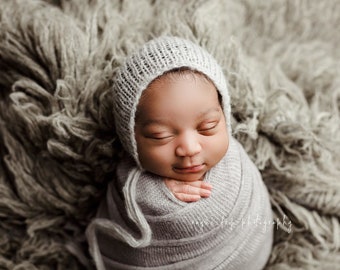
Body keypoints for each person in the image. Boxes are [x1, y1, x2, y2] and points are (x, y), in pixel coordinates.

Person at [86, 36, 273, 270]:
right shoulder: (131, 188)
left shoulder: (238, 167)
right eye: (160, 136)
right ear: (130, 139)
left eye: (208, 127)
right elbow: (124, 211)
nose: (189, 148)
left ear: (224, 117)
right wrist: (153, 196)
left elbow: (259, 217)